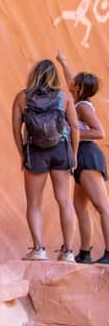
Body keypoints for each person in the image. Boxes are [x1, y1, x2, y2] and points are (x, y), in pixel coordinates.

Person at [12, 59, 79, 261]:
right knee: (64, 200)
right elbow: (75, 127)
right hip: (60, 150)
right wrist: (73, 154)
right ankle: (68, 252)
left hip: (35, 151)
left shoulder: (22, 97)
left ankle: (39, 249)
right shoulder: (64, 96)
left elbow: (16, 130)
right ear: (54, 76)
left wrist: (22, 154)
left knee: (34, 203)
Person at [56, 50, 109, 264]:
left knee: (102, 205)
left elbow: (100, 132)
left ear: (79, 88)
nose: (70, 82)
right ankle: (85, 253)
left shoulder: (83, 107)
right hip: (79, 157)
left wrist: (71, 133)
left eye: (74, 82)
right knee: (80, 207)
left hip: (88, 155)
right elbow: (70, 78)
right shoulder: (77, 101)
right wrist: (63, 61)